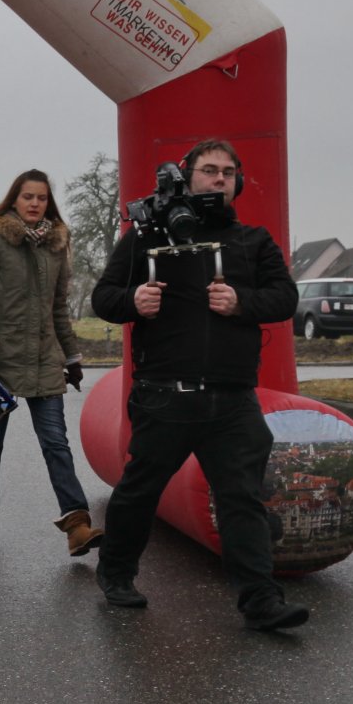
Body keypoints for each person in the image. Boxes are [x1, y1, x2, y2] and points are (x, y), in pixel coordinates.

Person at [90, 138, 305, 631]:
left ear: (238, 182)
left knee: (241, 498)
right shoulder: (147, 236)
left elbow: (285, 298)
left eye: (228, 171)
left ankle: (260, 601)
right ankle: (116, 573)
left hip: (232, 400)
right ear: (188, 177)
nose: (219, 178)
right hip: (165, 395)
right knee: (139, 492)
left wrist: (242, 303)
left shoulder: (253, 242)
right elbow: (104, 297)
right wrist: (132, 301)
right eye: (210, 170)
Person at [0, 169, 101, 556]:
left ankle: (77, 524)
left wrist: (72, 357)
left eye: (41, 198)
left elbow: (58, 308)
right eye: (28, 197)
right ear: (14, 200)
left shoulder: (56, 245)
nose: (35, 203)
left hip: (44, 360)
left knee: (56, 442)